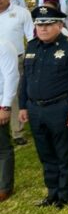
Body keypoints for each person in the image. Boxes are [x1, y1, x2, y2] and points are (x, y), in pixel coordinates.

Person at [19, 4, 68, 208]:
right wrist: (23, 105)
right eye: (39, 25)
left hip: (60, 107)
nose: (43, 29)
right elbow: (25, 79)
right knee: (45, 152)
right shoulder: (32, 46)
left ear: (59, 25)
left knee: (63, 151)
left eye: (48, 24)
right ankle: (52, 191)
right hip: (35, 108)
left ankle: (66, 193)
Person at [0, 0, 34, 147]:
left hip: (16, 59)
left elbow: (31, 36)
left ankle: (17, 131)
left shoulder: (21, 13)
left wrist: (31, 56)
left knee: (13, 94)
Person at [0, 38, 17, 200]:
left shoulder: (3, 45)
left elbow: (11, 76)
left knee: (2, 148)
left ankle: (5, 187)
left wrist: (5, 106)